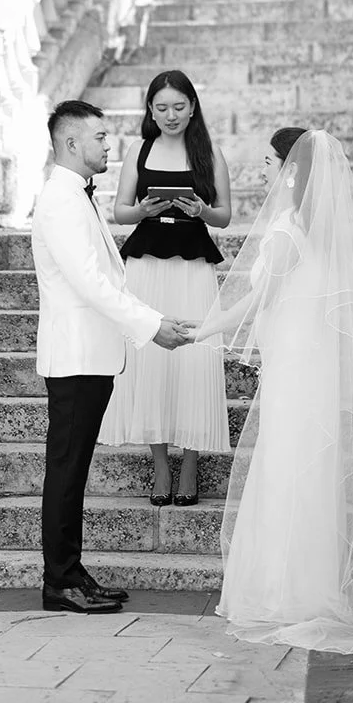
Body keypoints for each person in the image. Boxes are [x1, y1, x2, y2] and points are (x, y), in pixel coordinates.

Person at [194, 125, 353, 655]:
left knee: (286, 467)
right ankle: (294, 584)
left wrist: (200, 330)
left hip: (295, 368)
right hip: (297, 362)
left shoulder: (288, 232)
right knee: (292, 468)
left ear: (291, 169)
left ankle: (289, 593)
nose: (263, 170)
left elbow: (257, 302)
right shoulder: (306, 229)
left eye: (270, 161)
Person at [31, 99, 192, 613]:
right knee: (66, 470)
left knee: (73, 472)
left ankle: (72, 573)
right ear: (71, 143)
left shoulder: (77, 196)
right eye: (99, 137)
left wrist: (150, 318)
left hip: (92, 356)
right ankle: (59, 582)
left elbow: (105, 280)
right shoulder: (59, 199)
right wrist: (152, 327)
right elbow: (90, 284)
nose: (108, 145)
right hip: (76, 357)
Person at [98, 69, 231, 506]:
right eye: (162, 108)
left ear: (192, 107)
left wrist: (201, 210)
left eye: (179, 106)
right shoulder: (140, 148)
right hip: (147, 267)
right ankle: (159, 463)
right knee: (150, 359)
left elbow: (224, 216)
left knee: (193, 358)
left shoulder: (208, 151)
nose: (171, 115)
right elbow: (119, 212)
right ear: (150, 110)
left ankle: (190, 463)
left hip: (193, 267)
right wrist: (142, 209)